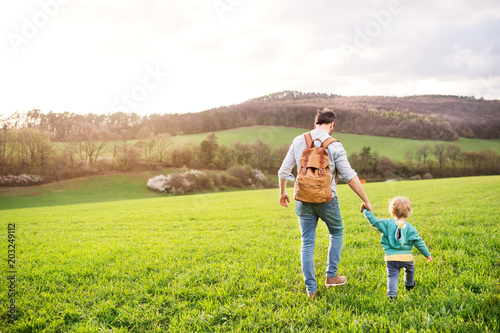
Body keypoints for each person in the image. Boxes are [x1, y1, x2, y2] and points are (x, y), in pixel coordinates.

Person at [278, 107, 372, 300]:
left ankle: (311, 290)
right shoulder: (335, 145)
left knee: (307, 243)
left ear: (315, 124)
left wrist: (283, 192)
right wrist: (366, 200)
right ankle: (331, 276)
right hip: (327, 200)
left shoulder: (298, 140)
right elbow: (350, 177)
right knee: (336, 232)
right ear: (332, 125)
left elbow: (283, 171)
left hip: (302, 200)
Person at [361, 197, 432, 299]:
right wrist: (427, 254)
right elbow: (418, 242)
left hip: (391, 258)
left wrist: (365, 211)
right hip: (407, 258)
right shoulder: (410, 228)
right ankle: (409, 284)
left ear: (392, 212)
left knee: (392, 276)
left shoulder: (386, 224)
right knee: (410, 270)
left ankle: (392, 294)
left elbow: (374, 221)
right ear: (409, 212)